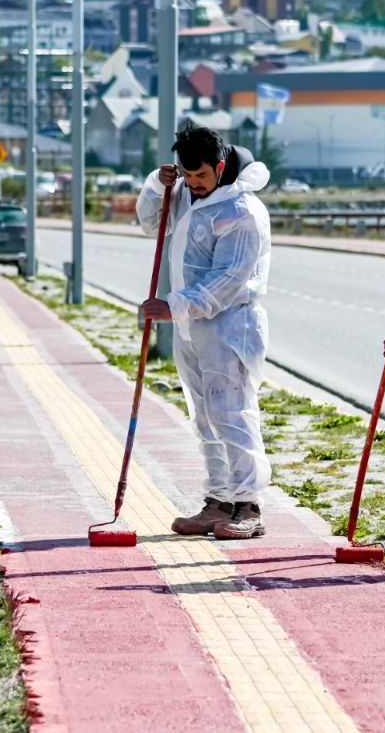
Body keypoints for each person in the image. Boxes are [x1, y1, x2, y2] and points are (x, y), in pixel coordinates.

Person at [137, 122, 273, 540]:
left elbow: (228, 279)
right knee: (204, 417)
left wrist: (173, 305)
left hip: (231, 324)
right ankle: (218, 501)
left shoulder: (242, 212)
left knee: (231, 413)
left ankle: (248, 505)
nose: (193, 184)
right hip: (192, 327)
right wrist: (155, 187)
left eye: (200, 176)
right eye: (187, 175)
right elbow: (148, 222)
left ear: (219, 166)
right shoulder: (184, 194)